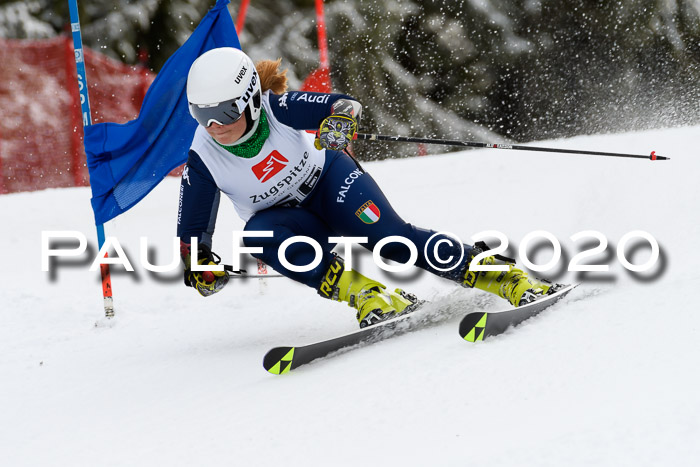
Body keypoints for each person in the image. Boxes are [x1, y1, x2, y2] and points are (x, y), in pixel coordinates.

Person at [177, 47, 561, 328]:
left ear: (250, 99)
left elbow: (344, 106)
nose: (214, 126)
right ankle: (369, 294)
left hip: (330, 183)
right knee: (258, 237)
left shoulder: (278, 108)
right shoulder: (204, 156)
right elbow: (191, 235)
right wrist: (199, 266)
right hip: (288, 221)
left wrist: (340, 123)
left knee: (392, 241)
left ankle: (503, 276)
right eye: (201, 115)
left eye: (224, 112)